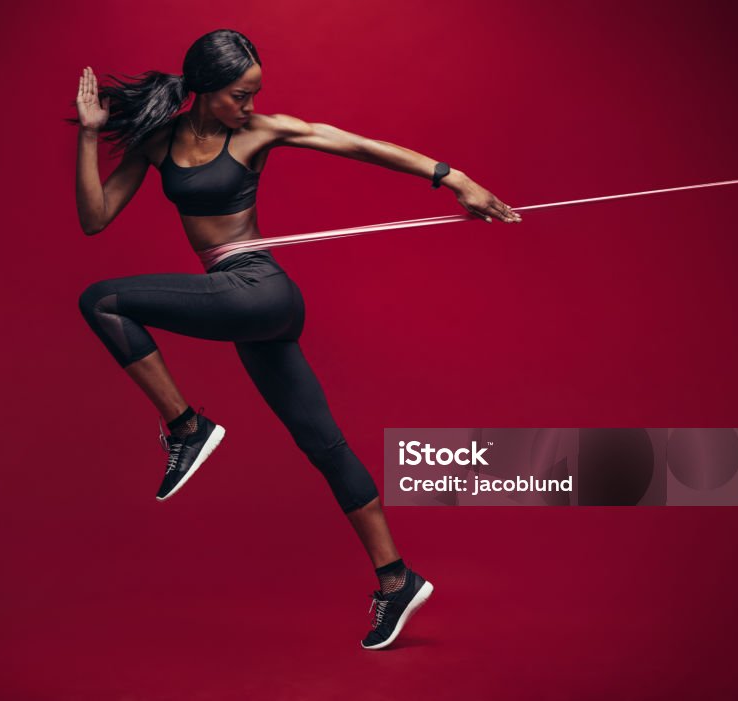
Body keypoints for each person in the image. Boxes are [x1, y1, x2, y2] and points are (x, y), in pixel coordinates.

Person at [70, 28, 521, 650]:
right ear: (202, 89)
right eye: (238, 95)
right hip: (246, 307)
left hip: (261, 294)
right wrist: (90, 136)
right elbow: (94, 219)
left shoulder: (260, 132)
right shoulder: (158, 141)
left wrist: (453, 177)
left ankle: (186, 429)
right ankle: (396, 580)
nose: (249, 106)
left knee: (102, 300)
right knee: (324, 444)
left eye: (254, 94)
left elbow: (357, 145)